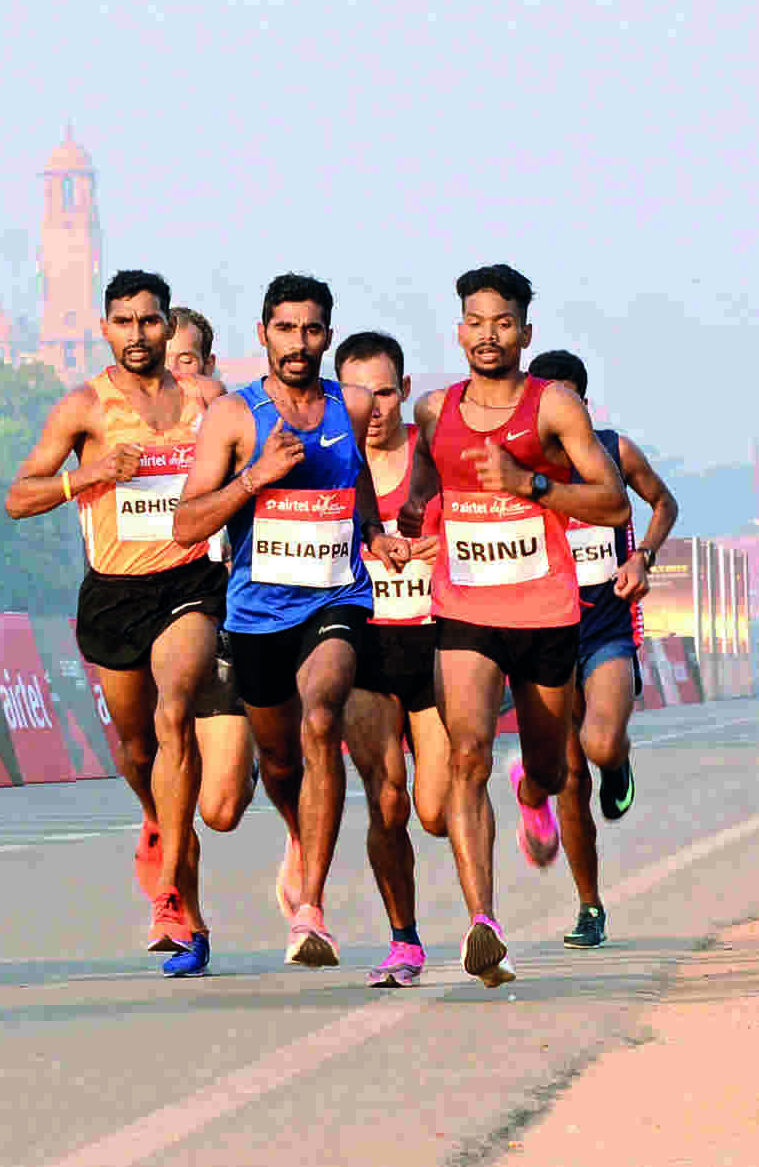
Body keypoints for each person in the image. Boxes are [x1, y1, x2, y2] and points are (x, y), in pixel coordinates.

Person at [4, 270, 254, 978]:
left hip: (191, 584)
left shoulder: (206, 400)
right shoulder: (84, 407)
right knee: (139, 749)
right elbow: (18, 497)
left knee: (175, 713)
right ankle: (159, 826)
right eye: (124, 322)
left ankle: (172, 899)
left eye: (150, 321)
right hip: (115, 594)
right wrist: (91, 475)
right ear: (105, 328)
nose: (138, 335)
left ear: (167, 326)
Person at [399, 264, 630, 987]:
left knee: (554, 767)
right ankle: (484, 923)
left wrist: (530, 484)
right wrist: (413, 515)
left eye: (502, 323)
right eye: (476, 322)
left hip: (545, 610)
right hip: (465, 608)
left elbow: (614, 504)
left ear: (525, 333)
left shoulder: (552, 407)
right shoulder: (435, 410)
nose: (488, 335)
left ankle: (532, 791)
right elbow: (425, 477)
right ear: (459, 330)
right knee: (466, 755)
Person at [176, 274, 414, 968]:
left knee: (321, 717)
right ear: (263, 335)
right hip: (257, 614)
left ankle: (310, 909)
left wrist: (375, 534)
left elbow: (355, 480)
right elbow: (186, 523)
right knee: (280, 761)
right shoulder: (234, 417)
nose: (298, 343)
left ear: (327, 336)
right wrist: (256, 477)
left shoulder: (352, 406)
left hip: (336, 598)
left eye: (311, 330)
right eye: (285, 329)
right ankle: (298, 831)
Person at [527, 349, 679, 950]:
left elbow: (664, 502)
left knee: (599, 743)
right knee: (568, 779)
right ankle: (589, 906)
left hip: (607, 628)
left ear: (584, 407)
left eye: (569, 402)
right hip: (545, 633)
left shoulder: (615, 452)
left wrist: (642, 556)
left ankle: (617, 760)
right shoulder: (518, 467)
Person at [334, 331, 450, 989]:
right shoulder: (328, 458)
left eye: (384, 392)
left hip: (433, 646)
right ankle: (403, 940)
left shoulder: (430, 454)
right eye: (358, 394)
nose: (373, 408)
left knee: (434, 811)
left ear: (403, 391)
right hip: (364, 649)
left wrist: (439, 548)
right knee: (387, 802)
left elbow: (481, 521)